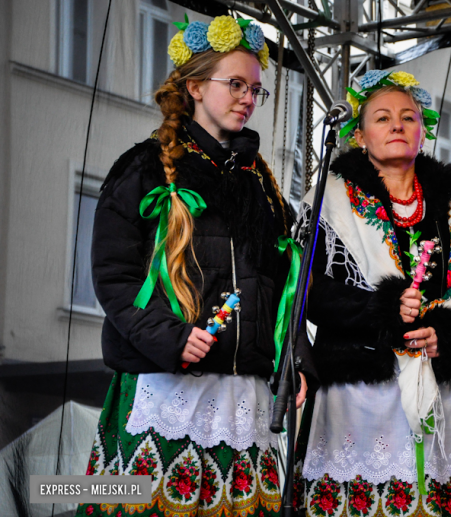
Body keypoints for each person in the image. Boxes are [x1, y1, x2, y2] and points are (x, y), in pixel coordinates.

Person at [76, 15, 315, 517]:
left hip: (241, 397)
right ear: (195, 86)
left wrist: (296, 361)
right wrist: (170, 336)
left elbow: (280, 288)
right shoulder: (142, 168)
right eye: (235, 84)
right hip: (165, 387)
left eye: (256, 89)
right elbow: (113, 276)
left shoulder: (264, 189)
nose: (248, 97)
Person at [293, 70, 451, 517]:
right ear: (360, 136)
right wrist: (380, 308)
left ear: (423, 131)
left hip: (445, 390)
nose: (397, 125)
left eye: (408, 117)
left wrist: (449, 333)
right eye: (383, 118)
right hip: (359, 387)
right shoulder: (327, 199)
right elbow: (306, 290)